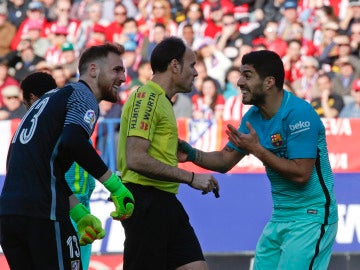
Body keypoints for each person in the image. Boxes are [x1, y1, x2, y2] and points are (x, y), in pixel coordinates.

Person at [178, 50, 338, 270]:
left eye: (247, 75)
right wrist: (190, 154)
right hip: (280, 215)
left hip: (311, 216)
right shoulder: (253, 116)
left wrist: (257, 149)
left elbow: (302, 174)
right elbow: (225, 160)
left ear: (269, 82)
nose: (240, 82)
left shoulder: (300, 113)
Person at [0, 43, 135, 270]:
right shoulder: (82, 95)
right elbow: (73, 141)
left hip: (9, 215)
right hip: (44, 216)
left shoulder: (42, 105)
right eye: (117, 70)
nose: (123, 78)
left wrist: (79, 213)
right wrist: (115, 185)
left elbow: (45, 168)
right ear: (93, 70)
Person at [117, 37, 219, 270]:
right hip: (144, 200)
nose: (195, 73)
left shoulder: (161, 101)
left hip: (164, 199)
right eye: (192, 65)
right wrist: (192, 178)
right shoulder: (147, 97)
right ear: (174, 65)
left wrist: (174, 152)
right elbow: (135, 158)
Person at [20, 71, 97, 270]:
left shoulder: (39, 133)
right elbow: (90, 180)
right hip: (81, 207)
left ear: (32, 98)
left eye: (24, 103)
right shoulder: (76, 127)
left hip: (57, 209)